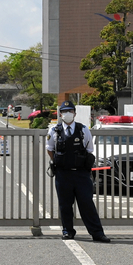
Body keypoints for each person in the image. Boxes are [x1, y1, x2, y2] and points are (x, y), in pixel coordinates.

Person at [46, 101, 110, 243]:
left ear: (74, 113)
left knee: (86, 203)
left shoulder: (83, 129)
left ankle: (97, 233)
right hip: (63, 174)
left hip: (81, 174)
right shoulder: (54, 130)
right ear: (60, 114)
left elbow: (89, 150)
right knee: (65, 204)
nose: (67, 114)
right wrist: (58, 162)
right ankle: (68, 231)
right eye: (64, 111)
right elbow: (50, 149)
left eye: (70, 111)